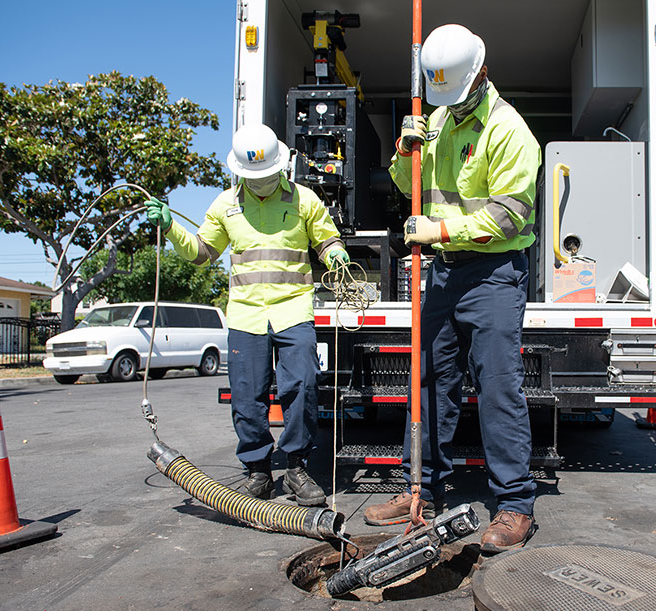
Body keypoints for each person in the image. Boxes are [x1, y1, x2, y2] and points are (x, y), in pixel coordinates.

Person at [363, 24, 542, 553]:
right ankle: (419, 487)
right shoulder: (436, 120)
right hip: (443, 273)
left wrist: (440, 230)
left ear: (481, 73)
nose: (451, 103)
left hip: (493, 274)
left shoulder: (510, 131)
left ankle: (514, 505)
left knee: (497, 386)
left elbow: (510, 217)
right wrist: (404, 150)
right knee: (428, 381)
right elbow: (404, 184)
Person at [144, 124, 349, 505]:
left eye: (268, 175)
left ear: (281, 168)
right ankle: (257, 470)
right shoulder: (225, 206)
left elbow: (326, 238)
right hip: (245, 315)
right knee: (246, 398)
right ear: (239, 172)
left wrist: (335, 252)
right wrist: (171, 228)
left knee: (302, 387)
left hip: (293, 311)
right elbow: (202, 253)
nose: (261, 183)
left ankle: (296, 468)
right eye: (253, 177)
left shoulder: (304, 200)